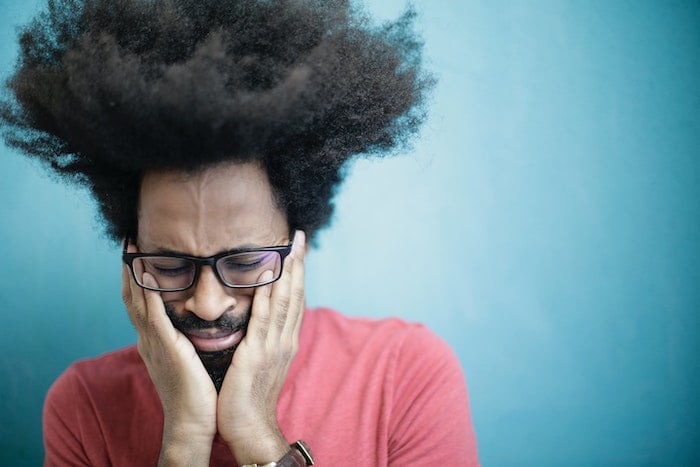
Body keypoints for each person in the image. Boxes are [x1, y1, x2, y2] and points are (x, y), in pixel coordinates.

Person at [1, 0, 479, 465]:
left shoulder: (404, 374)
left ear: (297, 249)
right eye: (169, 265)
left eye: (245, 263)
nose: (208, 305)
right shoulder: (84, 406)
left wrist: (256, 433)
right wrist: (185, 439)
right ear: (132, 252)